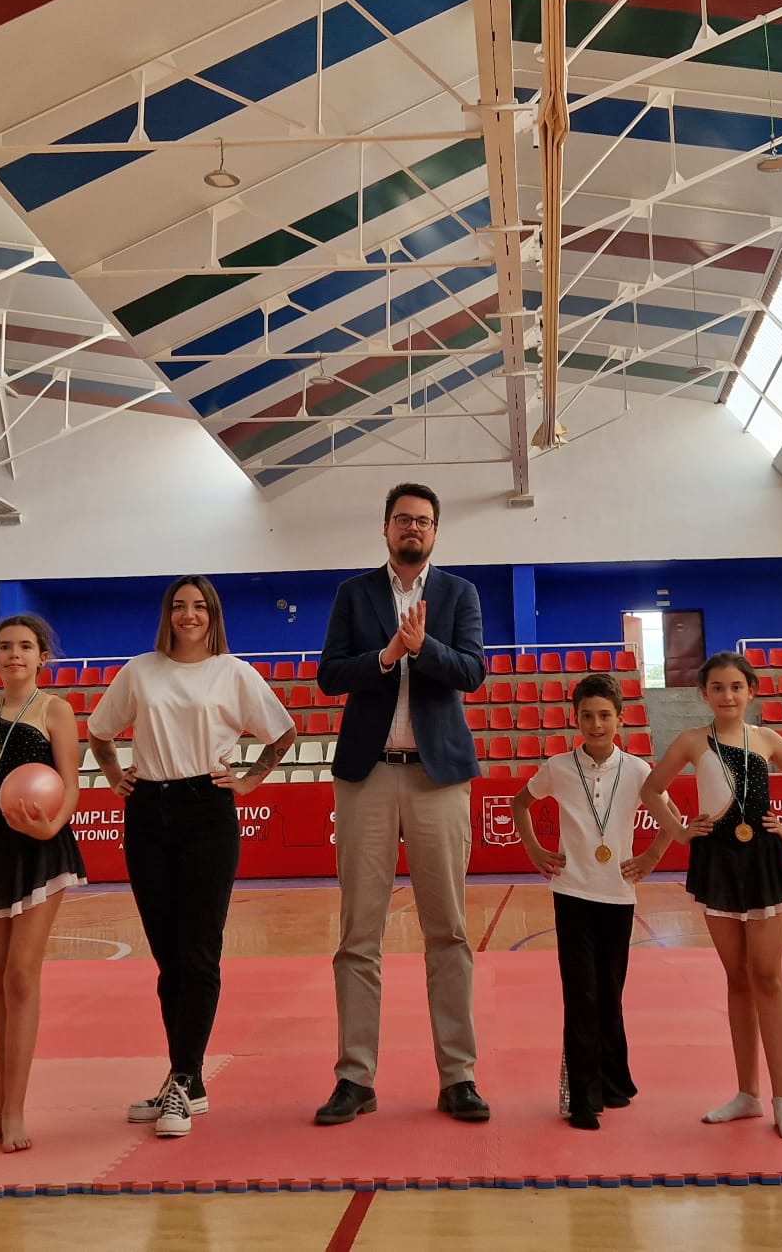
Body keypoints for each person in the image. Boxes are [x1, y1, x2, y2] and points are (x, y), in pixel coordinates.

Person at [87, 575, 297, 1138]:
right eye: (179, 605)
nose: (188, 614)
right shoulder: (139, 670)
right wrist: (112, 775)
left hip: (207, 810)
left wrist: (249, 781)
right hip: (148, 811)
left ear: (212, 614)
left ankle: (183, 1077)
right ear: (167, 613)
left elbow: (283, 733)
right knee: (168, 958)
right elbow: (100, 733)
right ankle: (188, 1080)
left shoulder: (233, 671)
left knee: (200, 953)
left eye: (198, 606)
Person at [313, 482, 490, 1127]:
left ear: (435, 532)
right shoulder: (353, 595)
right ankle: (354, 1077)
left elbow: (473, 671)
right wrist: (387, 657)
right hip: (367, 775)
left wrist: (424, 649)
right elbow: (331, 675)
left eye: (423, 521)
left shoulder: (459, 595)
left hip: (438, 777)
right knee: (358, 932)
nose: (412, 528)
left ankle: (458, 1075)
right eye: (402, 520)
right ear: (385, 529)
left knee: (449, 930)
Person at [640, 651, 782, 1140]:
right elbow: (653, 791)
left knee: (768, 978)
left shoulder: (768, 740)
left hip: (762, 861)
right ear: (704, 695)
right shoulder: (693, 742)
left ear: (750, 691)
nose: (728, 695)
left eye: (736, 686)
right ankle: (746, 1093)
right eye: (718, 687)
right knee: (737, 979)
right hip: (716, 860)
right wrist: (679, 830)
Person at [511, 673, 677, 1130]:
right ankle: (582, 1097)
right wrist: (533, 849)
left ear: (621, 719)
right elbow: (518, 803)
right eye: (587, 716)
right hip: (572, 892)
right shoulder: (559, 767)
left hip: (619, 895)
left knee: (610, 992)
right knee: (580, 994)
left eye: (605, 715)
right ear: (576, 719)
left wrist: (649, 858)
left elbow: (673, 818)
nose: (596, 724)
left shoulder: (640, 770)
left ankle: (613, 1083)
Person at [0, 614, 86, 1153]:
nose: (14, 655)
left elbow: (70, 782)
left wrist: (52, 824)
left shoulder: (56, 709)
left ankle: (17, 1113)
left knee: (22, 976)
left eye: (25, 647)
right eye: (5, 647)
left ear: (41, 657)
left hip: (40, 847)